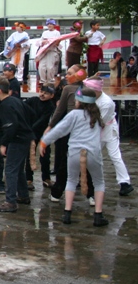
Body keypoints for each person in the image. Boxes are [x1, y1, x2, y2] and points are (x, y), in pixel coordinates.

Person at [40, 86, 108, 226]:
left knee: (71, 180)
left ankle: (67, 213)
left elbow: (60, 130)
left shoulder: (73, 115)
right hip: (93, 152)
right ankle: (98, 214)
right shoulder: (97, 114)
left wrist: (44, 142)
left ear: (79, 101)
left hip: (75, 152)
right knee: (98, 182)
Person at [46, 64, 95, 204]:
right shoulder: (88, 89)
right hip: (86, 130)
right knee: (86, 161)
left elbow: (59, 111)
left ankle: (57, 192)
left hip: (71, 130)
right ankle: (91, 195)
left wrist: (50, 126)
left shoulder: (68, 89)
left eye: (69, 73)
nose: (65, 76)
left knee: (65, 162)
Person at [0, 77, 35, 212]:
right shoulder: (15, 100)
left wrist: (4, 143)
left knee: (10, 169)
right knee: (18, 168)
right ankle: (23, 195)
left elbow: (11, 126)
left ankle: (10, 201)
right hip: (25, 137)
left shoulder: (5, 105)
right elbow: (31, 113)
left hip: (17, 139)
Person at [83, 77, 134, 196]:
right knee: (90, 154)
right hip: (95, 127)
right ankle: (84, 177)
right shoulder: (89, 96)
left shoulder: (107, 103)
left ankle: (124, 183)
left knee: (115, 155)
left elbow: (99, 122)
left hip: (108, 129)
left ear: (96, 90)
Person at [24, 85, 56, 190]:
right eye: (41, 91)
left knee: (45, 156)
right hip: (31, 131)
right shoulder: (33, 100)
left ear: (51, 96)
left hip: (43, 133)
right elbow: (23, 107)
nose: (42, 94)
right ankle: (28, 179)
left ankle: (46, 178)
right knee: (29, 155)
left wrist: (31, 128)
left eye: (46, 93)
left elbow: (43, 120)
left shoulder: (50, 106)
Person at [38, 19, 62, 86]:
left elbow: (57, 42)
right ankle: (42, 81)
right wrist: (43, 42)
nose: (49, 25)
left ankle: (50, 81)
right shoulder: (44, 33)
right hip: (44, 51)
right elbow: (40, 41)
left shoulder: (57, 32)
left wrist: (50, 42)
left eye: (51, 24)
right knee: (41, 67)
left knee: (50, 67)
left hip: (52, 51)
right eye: (48, 24)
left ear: (54, 25)